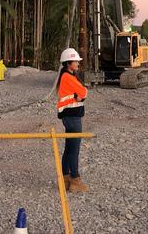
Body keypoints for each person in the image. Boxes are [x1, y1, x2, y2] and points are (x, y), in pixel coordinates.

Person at [56, 48, 89, 192]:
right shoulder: (68, 77)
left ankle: (65, 179)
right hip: (72, 117)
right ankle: (75, 181)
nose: (77, 63)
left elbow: (81, 92)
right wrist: (79, 95)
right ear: (69, 63)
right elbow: (84, 91)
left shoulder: (67, 76)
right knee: (74, 149)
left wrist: (78, 95)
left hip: (69, 116)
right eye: (75, 61)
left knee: (69, 148)